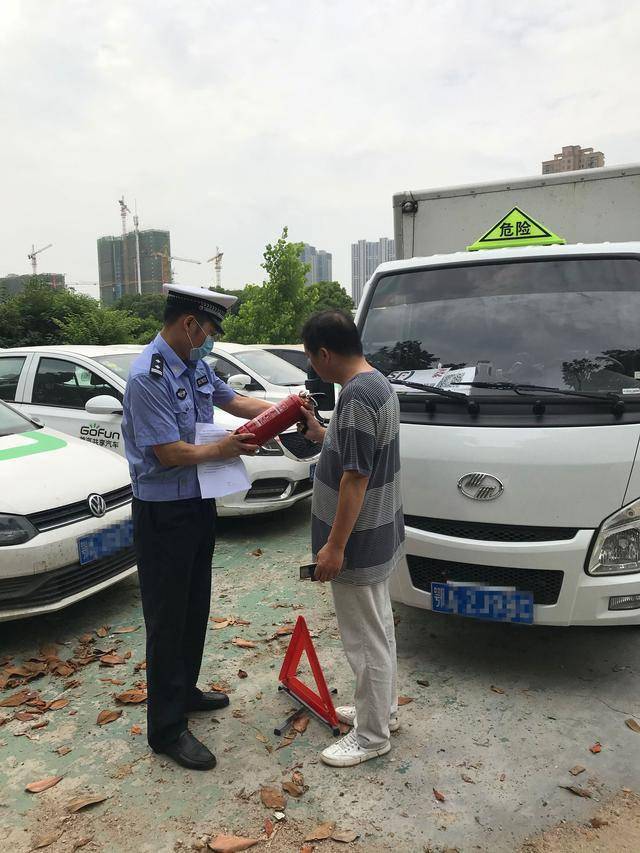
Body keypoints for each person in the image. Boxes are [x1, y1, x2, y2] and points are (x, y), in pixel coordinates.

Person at [122, 284, 273, 771]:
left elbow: (237, 402)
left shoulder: (196, 366)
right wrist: (224, 450)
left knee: (193, 606)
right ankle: (165, 730)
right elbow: (168, 453)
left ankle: (184, 692)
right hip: (162, 514)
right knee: (166, 619)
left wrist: (286, 407)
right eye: (207, 330)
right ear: (189, 325)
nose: (210, 339)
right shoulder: (149, 375)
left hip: (197, 506)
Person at [299, 310, 405, 768]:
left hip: (358, 542)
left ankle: (371, 736)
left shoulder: (359, 395)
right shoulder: (372, 383)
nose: (312, 368)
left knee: (364, 640)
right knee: (379, 630)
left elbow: (356, 477)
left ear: (325, 354)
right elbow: (354, 448)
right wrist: (320, 432)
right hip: (377, 533)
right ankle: (383, 711)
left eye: (310, 359)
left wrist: (335, 547)